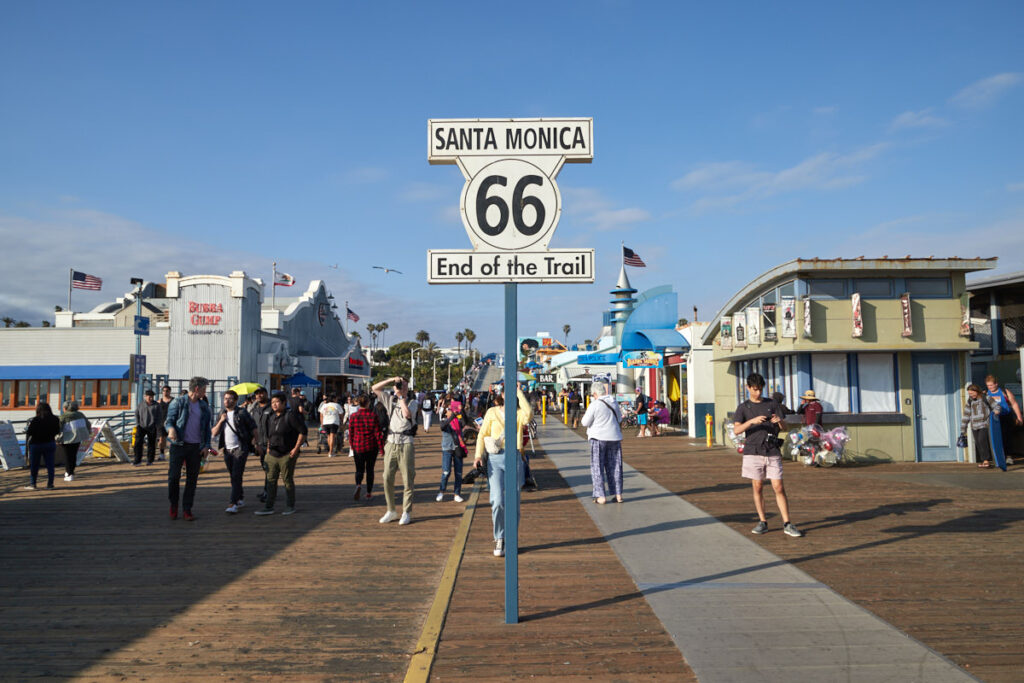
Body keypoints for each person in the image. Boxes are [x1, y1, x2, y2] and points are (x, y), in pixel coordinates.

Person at [733, 373, 803, 538]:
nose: (758, 393)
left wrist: (779, 421)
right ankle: (762, 521)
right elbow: (736, 430)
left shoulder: (772, 404)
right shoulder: (743, 407)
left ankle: (787, 522)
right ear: (748, 388)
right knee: (757, 487)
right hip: (753, 451)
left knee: (778, 486)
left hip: (772, 450)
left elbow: (784, 428)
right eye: (755, 389)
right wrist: (752, 421)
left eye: (760, 389)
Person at [473, 384, 533, 557]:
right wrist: (477, 456)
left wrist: (520, 392)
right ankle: (499, 537)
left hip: (514, 457)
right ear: (503, 394)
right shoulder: (491, 412)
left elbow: (528, 415)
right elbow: (482, 434)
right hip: (495, 458)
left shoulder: (519, 412)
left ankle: (511, 539)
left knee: (513, 502)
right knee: (497, 500)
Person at [164, 376, 214, 521]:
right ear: (197, 388)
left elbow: (207, 429)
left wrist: (207, 447)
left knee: (192, 479)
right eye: (204, 389)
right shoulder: (178, 402)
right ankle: (174, 505)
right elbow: (169, 421)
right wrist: (171, 430)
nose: (205, 392)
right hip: (178, 445)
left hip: (195, 448)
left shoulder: (204, 406)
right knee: (174, 477)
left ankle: (187, 509)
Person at [373, 376, 419, 525]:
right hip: (391, 442)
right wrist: (391, 380)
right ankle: (391, 510)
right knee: (387, 477)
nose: (401, 386)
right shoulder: (390, 400)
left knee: (408, 479)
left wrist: (401, 397)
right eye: (399, 384)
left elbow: (407, 414)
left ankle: (406, 511)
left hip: (406, 443)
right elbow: (375, 388)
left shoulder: (413, 402)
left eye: (403, 384)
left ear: (408, 387)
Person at [254, 392, 305, 516]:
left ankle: (290, 506)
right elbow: (269, 435)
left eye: (277, 402)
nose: (274, 405)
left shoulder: (290, 416)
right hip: (272, 454)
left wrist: (296, 448)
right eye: (272, 403)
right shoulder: (271, 417)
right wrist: (267, 449)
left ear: (283, 403)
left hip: (287, 454)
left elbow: (303, 431)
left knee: (287, 480)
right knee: (271, 480)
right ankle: (269, 506)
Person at [212, 389, 258, 513]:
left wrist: (256, 442)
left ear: (236, 400)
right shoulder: (221, 413)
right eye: (225, 398)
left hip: (240, 448)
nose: (227, 401)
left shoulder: (242, 413)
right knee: (233, 476)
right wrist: (221, 420)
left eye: (230, 398)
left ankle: (233, 503)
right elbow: (214, 432)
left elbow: (253, 428)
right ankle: (240, 497)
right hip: (227, 449)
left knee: (236, 475)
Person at [580, 382, 623, 504]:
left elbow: (584, 422)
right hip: (614, 437)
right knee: (615, 466)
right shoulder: (613, 402)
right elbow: (619, 419)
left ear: (594, 393)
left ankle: (600, 496)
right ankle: (618, 494)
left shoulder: (595, 404)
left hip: (598, 438)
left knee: (597, 467)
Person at [348, 395, 383, 501]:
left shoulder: (354, 416)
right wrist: (381, 448)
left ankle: (358, 484)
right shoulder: (373, 415)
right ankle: (368, 492)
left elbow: (351, 432)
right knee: (370, 469)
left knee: (359, 469)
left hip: (358, 445)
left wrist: (352, 445)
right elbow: (378, 433)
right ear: (368, 403)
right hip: (371, 446)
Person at [961, 384, 1001, 469]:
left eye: (972, 393)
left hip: (984, 424)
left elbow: (996, 406)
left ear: (977, 391)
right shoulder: (970, 401)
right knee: (978, 443)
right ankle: (984, 461)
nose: (971, 395)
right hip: (974, 425)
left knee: (982, 440)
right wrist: (963, 428)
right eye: (969, 394)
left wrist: (996, 411)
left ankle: (986, 460)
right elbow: (966, 415)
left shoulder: (986, 398)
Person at [24, 401, 61, 490]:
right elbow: (57, 431)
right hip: (50, 443)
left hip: (36, 444)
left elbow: (30, 432)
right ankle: (50, 484)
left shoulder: (36, 420)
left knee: (34, 465)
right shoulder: (55, 419)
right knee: (50, 465)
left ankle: (33, 484)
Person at [985, 375, 1022, 464]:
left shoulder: (1005, 392)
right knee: (996, 438)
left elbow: (1014, 404)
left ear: (996, 384)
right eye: (988, 385)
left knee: (1007, 437)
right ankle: (998, 457)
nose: (990, 387)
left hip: (1005, 417)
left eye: (991, 385)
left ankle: (1008, 456)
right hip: (994, 419)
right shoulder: (986, 394)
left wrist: (1019, 417)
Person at [437, 403, 466, 503]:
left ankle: (457, 494)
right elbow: (442, 427)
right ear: (446, 411)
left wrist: (461, 411)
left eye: (452, 409)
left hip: (458, 448)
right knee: (446, 472)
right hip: (447, 449)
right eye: (449, 409)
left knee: (458, 473)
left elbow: (464, 422)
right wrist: (452, 416)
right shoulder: (444, 420)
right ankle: (441, 491)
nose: (451, 411)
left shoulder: (458, 421)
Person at [248, 386, 272, 502]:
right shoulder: (255, 409)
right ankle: (267, 490)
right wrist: (254, 442)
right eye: (257, 394)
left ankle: (269, 492)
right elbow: (253, 427)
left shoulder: (272, 408)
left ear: (266, 394)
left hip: (271, 444)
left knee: (269, 469)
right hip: (260, 444)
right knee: (265, 468)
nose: (259, 396)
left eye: (261, 393)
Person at [57, 399, 90, 482]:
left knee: (67, 457)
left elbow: (58, 428)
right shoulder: (80, 414)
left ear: (65, 408)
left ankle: (69, 473)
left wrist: (56, 438)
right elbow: (88, 424)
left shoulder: (64, 416)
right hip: (78, 438)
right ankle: (71, 471)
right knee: (73, 456)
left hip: (67, 439)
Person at [133, 389, 162, 466]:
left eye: (152, 396)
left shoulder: (156, 405)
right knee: (138, 443)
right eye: (149, 396)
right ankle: (137, 460)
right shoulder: (141, 404)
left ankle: (150, 460)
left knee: (151, 444)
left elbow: (159, 416)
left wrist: (157, 426)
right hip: (141, 426)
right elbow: (136, 414)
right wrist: (138, 424)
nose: (150, 398)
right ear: (145, 396)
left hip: (152, 427)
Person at [157, 385, 173, 459]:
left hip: (171, 422)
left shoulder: (174, 400)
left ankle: (172, 453)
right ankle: (161, 454)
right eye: (164, 391)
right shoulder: (159, 401)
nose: (165, 392)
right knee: (161, 439)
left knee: (172, 439)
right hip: (161, 423)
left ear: (170, 392)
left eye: (167, 391)